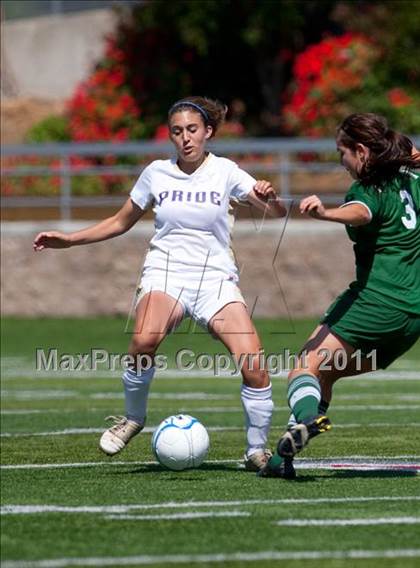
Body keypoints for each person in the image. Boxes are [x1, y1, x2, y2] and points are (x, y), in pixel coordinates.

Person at [33, 96, 287, 471]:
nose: (185, 138)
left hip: (215, 279)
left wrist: (271, 197)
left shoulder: (227, 171)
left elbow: (276, 212)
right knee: (144, 339)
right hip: (165, 272)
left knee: (255, 364)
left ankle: (255, 450)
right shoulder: (156, 173)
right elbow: (121, 221)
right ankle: (133, 419)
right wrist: (69, 239)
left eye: (193, 130)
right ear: (171, 136)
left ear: (208, 132)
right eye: (177, 131)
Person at [260, 113, 420, 479]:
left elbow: (360, 214)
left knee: (304, 367)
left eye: (342, 153)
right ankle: (281, 459)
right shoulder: (412, 180)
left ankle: (307, 418)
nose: (340, 162)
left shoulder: (368, 189)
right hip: (412, 318)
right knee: (324, 376)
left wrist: (326, 213)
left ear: (361, 151)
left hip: (377, 302)